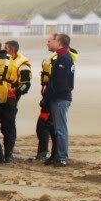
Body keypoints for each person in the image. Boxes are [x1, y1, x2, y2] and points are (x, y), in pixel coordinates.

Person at [34, 34, 78, 162]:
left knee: (60, 129)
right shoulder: (63, 57)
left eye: (51, 41)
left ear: (59, 43)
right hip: (58, 98)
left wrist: (48, 97)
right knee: (56, 128)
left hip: (60, 99)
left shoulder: (64, 58)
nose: (48, 43)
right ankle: (57, 156)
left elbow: (61, 83)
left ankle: (62, 157)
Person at [2, 40, 31, 161]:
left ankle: (9, 153)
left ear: (11, 50)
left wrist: (15, 94)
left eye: (6, 48)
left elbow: (26, 85)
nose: (4, 49)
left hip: (11, 99)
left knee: (9, 126)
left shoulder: (22, 63)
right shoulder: (4, 60)